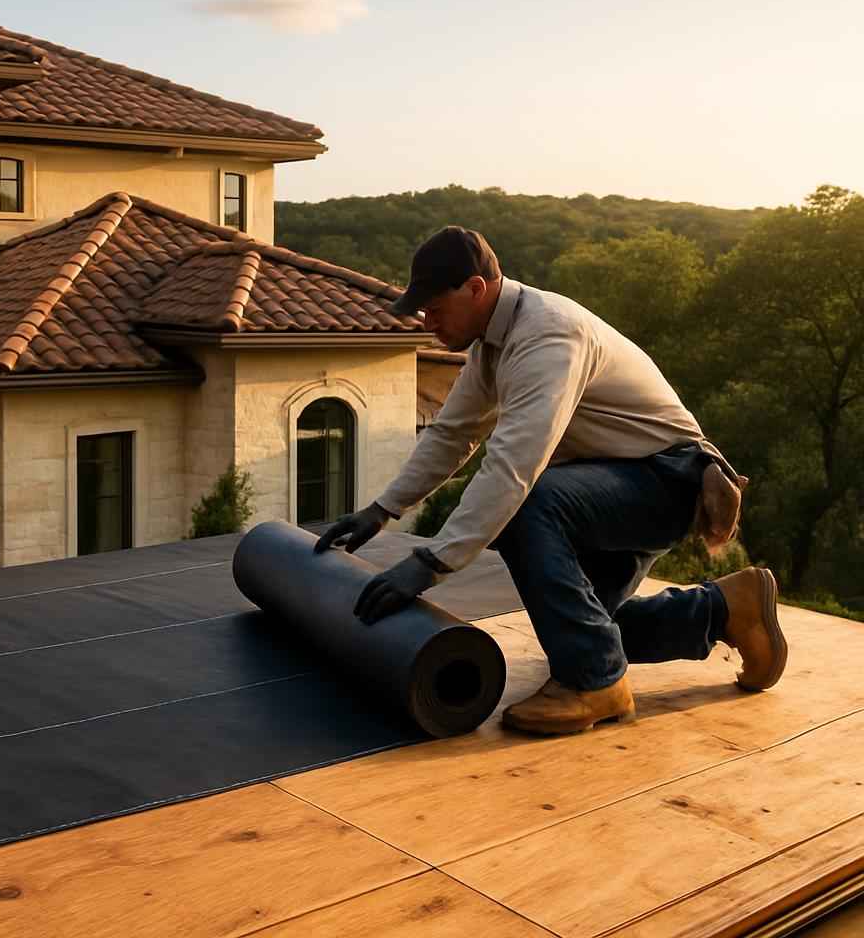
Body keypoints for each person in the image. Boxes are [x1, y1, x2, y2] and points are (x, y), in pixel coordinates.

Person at [315, 226, 787, 735]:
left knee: (528, 508)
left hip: (668, 482)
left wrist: (431, 563)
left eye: (434, 308)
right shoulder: (492, 348)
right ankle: (726, 611)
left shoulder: (548, 335)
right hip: (623, 485)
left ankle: (594, 683)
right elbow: (452, 435)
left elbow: (513, 467)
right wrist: (382, 510)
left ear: (475, 289)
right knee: (582, 627)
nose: (429, 324)